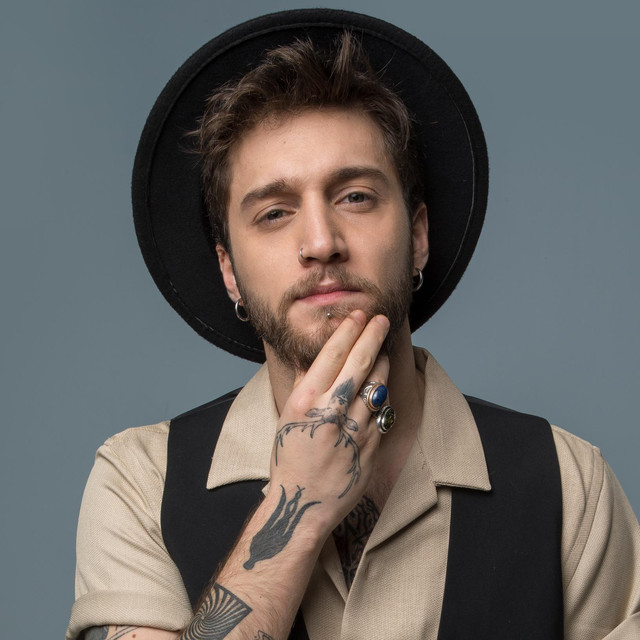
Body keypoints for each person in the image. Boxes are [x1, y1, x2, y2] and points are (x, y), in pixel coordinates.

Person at [66, 9, 640, 640]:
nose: (321, 242)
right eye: (275, 213)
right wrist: (297, 508)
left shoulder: (568, 484)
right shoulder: (141, 481)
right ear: (228, 271)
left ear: (417, 237)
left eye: (355, 197)